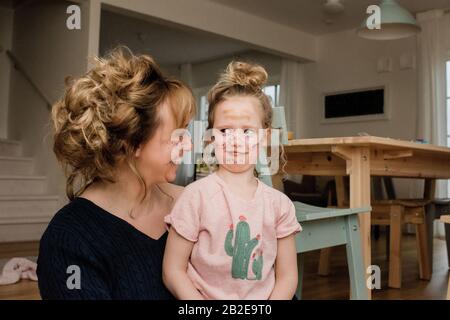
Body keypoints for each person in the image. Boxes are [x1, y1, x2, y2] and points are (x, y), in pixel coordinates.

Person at [37, 47, 195, 299]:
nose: (188, 146)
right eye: (177, 136)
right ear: (129, 144)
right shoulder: (69, 242)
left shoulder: (192, 203)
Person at [162, 61, 301, 300]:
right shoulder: (195, 197)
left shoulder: (280, 205)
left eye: (247, 131)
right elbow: (173, 270)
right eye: (225, 131)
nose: (235, 141)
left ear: (265, 137)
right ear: (211, 136)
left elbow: (287, 276)